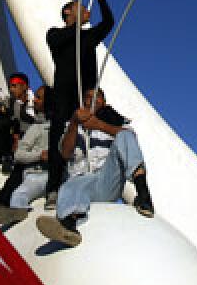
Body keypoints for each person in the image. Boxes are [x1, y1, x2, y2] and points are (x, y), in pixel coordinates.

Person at [35, 89, 153, 247]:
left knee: (124, 136)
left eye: (97, 97)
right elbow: (65, 153)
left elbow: (129, 137)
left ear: (104, 103)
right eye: (88, 97)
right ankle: (69, 225)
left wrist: (99, 125)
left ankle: (144, 195)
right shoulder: (71, 125)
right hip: (81, 183)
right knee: (72, 183)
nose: (92, 100)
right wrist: (74, 123)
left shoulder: (116, 121)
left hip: (107, 181)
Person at [42, 0, 114, 208]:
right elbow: (64, 38)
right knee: (58, 138)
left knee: (88, 135)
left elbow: (108, 23)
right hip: (63, 95)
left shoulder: (88, 36)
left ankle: (87, 181)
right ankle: (53, 188)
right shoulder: (55, 34)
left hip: (85, 96)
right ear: (67, 13)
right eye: (81, 8)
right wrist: (78, 24)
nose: (87, 11)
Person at [0, 85, 53, 225]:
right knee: (20, 181)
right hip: (33, 164)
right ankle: (8, 205)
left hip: (50, 169)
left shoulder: (56, 123)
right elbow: (0, 97)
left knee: (20, 169)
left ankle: (3, 202)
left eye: (15, 85)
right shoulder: (23, 112)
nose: (34, 101)